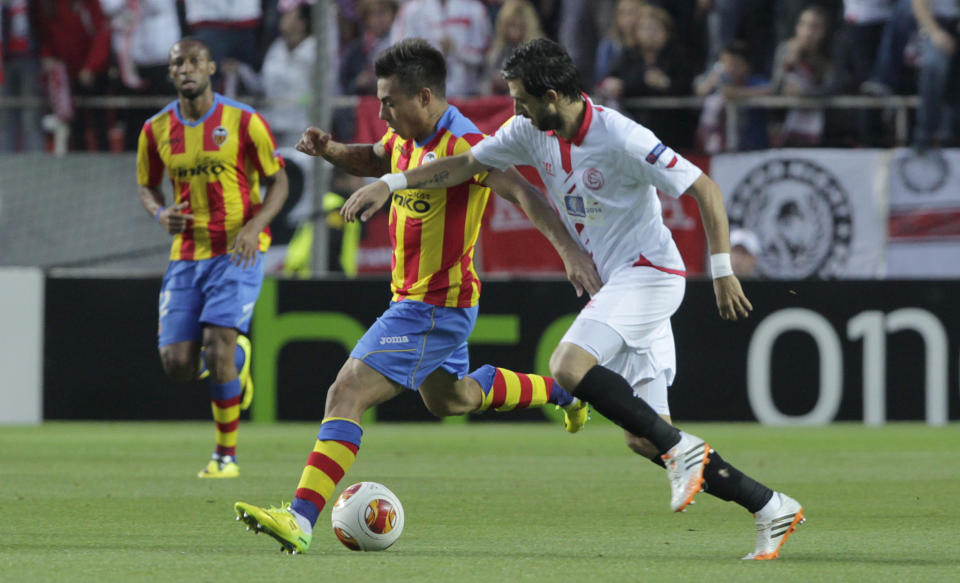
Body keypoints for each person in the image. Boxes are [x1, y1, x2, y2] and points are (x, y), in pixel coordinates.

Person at [342, 38, 806, 560]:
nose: (513, 110)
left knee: (567, 364)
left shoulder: (621, 136)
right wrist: (392, 181)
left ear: (555, 95)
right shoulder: (530, 130)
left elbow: (706, 189)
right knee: (644, 436)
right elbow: (464, 164)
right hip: (618, 285)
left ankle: (684, 454)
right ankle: (770, 506)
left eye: (521, 99)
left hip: (651, 274)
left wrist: (721, 270)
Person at [233, 38, 602, 554]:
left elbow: (524, 191)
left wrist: (569, 252)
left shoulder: (467, 145)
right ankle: (563, 392)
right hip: (430, 301)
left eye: (389, 101)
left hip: (433, 306)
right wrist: (332, 151)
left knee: (346, 392)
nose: (382, 112)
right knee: (453, 399)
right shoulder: (405, 136)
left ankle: (299, 517)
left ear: (424, 96)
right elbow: (376, 157)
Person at [136, 38, 289, 478]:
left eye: (193, 61)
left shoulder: (243, 121)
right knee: (178, 364)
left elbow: (277, 182)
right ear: (170, 73)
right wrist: (160, 212)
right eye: (177, 63)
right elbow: (147, 186)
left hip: (236, 252)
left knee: (217, 343)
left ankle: (226, 457)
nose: (186, 69)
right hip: (186, 256)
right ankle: (236, 365)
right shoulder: (156, 129)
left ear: (211, 68)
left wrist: (255, 227)